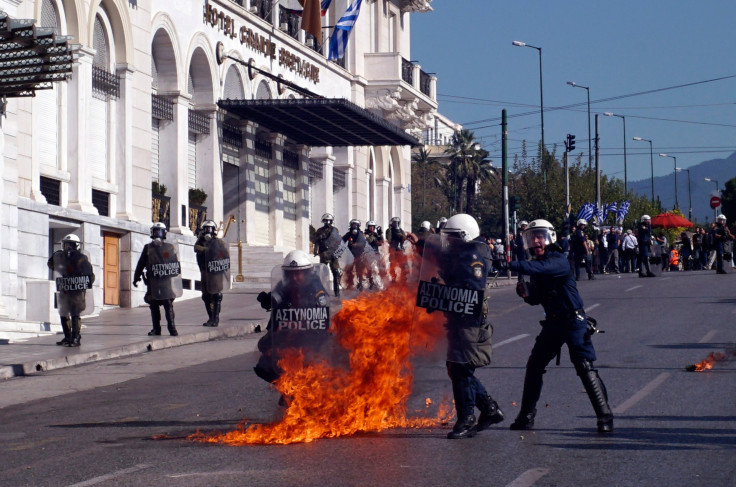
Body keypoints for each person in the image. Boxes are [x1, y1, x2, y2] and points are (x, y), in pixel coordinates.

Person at [509, 219, 613, 434]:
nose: (535, 241)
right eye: (531, 237)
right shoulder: (539, 265)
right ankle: (526, 416)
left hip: (573, 321)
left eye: (539, 236)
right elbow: (538, 297)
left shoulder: (557, 260)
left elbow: (542, 268)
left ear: (550, 237)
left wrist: (510, 263)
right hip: (553, 323)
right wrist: (525, 294)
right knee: (534, 365)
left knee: (584, 366)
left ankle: (605, 416)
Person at [419, 214, 504, 439]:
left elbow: (470, 291)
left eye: (453, 237)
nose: (450, 241)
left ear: (465, 236)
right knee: (458, 367)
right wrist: (421, 243)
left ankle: (467, 419)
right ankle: (489, 409)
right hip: (457, 318)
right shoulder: (462, 253)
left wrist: (444, 291)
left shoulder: (473, 257)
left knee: (460, 368)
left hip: (469, 321)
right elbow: (442, 260)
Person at [253, 250, 330, 387]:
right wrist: (268, 300)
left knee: (319, 359)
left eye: (298, 273)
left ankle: (314, 387)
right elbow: (276, 296)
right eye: (291, 273)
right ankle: (286, 386)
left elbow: (322, 309)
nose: (294, 277)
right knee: (264, 357)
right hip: (286, 332)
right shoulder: (284, 285)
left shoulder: (316, 287)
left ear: (306, 273)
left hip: (311, 335)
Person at [47, 234, 95, 347]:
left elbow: (90, 275)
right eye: (66, 244)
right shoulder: (61, 256)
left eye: (70, 244)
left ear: (75, 246)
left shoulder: (81, 258)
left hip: (76, 291)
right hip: (65, 288)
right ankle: (67, 336)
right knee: (63, 313)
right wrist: (59, 261)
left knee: (75, 313)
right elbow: (50, 264)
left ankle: (76, 337)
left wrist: (82, 283)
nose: (68, 246)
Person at [133, 222, 180, 336]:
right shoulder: (148, 248)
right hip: (153, 282)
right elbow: (141, 264)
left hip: (165, 281)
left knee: (167, 303)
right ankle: (156, 329)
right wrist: (136, 278)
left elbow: (175, 264)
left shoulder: (169, 247)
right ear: (152, 233)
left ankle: (172, 328)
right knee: (153, 304)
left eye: (159, 232)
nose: (157, 234)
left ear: (164, 233)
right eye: (155, 232)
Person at [194, 220, 230, 327]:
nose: (208, 231)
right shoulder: (200, 241)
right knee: (206, 296)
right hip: (205, 271)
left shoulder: (218, 242)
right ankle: (211, 318)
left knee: (216, 295)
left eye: (210, 229)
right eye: (206, 229)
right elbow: (196, 248)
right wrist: (207, 249)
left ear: (214, 230)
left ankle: (216, 319)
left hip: (216, 272)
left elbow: (225, 254)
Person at [311, 213, 342, 296]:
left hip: (333, 254)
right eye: (325, 221)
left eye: (329, 221)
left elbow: (339, 241)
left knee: (335, 273)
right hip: (324, 254)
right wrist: (319, 237)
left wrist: (338, 253)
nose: (327, 223)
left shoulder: (335, 230)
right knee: (323, 274)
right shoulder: (319, 231)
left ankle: (337, 292)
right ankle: (323, 292)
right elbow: (314, 240)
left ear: (331, 221)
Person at [342, 219, 370, 290]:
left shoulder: (360, 234)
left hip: (359, 254)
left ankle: (360, 283)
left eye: (356, 225)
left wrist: (356, 244)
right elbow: (342, 241)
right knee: (349, 270)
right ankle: (349, 284)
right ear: (351, 226)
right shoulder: (349, 234)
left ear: (358, 226)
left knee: (359, 269)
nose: (354, 226)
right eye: (353, 225)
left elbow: (363, 243)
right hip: (350, 254)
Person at [386, 216, 408, 282]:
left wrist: (401, 236)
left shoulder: (401, 230)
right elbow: (388, 239)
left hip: (400, 249)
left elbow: (404, 238)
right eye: (394, 223)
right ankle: (393, 278)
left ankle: (403, 278)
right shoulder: (389, 230)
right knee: (392, 264)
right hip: (393, 249)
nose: (396, 224)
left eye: (397, 223)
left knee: (403, 264)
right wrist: (392, 233)